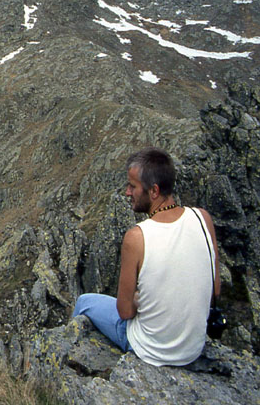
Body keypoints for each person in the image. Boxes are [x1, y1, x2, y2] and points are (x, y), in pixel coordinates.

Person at [72, 147, 221, 366]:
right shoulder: (202, 218)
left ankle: (72, 353)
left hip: (151, 348)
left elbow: (124, 311)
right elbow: (214, 291)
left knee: (84, 302)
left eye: (133, 186)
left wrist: (138, 300)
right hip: (192, 349)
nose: (127, 192)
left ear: (153, 191)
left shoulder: (137, 237)